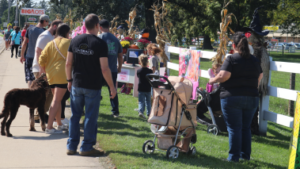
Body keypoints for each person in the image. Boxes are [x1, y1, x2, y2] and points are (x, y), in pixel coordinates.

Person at [65, 14, 116, 156]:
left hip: (76, 83)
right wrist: (112, 87)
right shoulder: (100, 44)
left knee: (75, 116)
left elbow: (68, 63)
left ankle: (71, 146)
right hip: (92, 86)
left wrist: (69, 80)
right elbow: (105, 68)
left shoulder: (74, 40)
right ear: (97, 26)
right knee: (90, 116)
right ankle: (86, 147)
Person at [208, 32, 263, 162]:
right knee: (245, 127)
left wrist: (212, 80)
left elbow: (224, 76)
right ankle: (245, 156)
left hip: (232, 97)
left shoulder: (231, 59)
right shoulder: (255, 60)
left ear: (234, 45)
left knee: (234, 128)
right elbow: (260, 76)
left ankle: (233, 157)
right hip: (252, 98)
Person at [39, 23, 71, 134]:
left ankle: (59, 124)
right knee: (57, 100)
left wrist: (44, 71)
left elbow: (41, 60)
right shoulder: (69, 43)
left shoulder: (50, 43)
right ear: (67, 32)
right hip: (62, 75)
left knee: (57, 100)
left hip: (51, 75)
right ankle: (49, 127)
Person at [32, 19, 63, 124]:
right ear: (54, 26)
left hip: (45, 69)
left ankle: (41, 114)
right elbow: (38, 51)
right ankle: (38, 115)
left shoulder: (50, 36)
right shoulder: (45, 36)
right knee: (43, 94)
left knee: (47, 94)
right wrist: (42, 70)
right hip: (41, 69)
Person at [98, 19, 123, 118]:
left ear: (100, 27)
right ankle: (115, 111)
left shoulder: (99, 38)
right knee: (112, 90)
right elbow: (120, 56)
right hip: (112, 69)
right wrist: (119, 67)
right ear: (109, 27)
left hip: (99, 69)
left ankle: (94, 109)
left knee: (96, 90)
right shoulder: (116, 39)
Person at [20, 14, 49, 88]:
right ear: (44, 21)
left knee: (29, 77)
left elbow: (24, 43)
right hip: (39, 58)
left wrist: (22, 55)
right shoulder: (45, 32)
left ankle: (30, 92)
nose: (47, 24)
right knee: (38, 78)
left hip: (29, 57)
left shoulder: (29, 29)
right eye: (47, 22)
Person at [137, 54, 153, 119]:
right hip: (148, 88)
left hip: (141, 88)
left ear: (140, 62)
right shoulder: (150, 71)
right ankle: (149, 113)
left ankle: (140, 111)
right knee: (148, 101)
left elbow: (138, 77)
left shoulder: (139, 71)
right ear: (147, 62)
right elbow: (151, 78)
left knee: (141, 101)